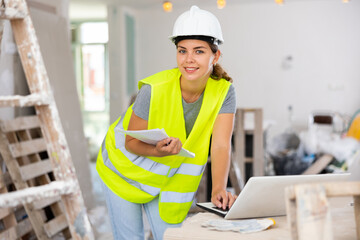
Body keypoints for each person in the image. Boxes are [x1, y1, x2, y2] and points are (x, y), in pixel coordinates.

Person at [96, 5, 237, 240]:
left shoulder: (224, 92)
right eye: (182, 51)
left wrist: (218, 188)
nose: (189, 59)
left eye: (199, 51)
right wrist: (156, 151)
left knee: (171, 237)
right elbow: (130, 141)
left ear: (216, 55)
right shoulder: (154, 90)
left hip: (167, 181)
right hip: (122, 172)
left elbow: (221, 145)